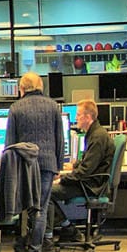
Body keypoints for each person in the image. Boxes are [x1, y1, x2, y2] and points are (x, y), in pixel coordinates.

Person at [3, 72, 66, 252]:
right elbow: (59, 140)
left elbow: (10, 143)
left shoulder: (15, 108)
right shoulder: (53, 106)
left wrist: (9, 169)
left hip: (24, 165)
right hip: (47, 163)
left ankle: (21, 245)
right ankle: (36, 251)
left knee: (24, 205)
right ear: (41, 87)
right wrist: (58, 166)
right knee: (41, 208)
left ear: (21, 89)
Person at [49, 98, 114, 229]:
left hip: (89, 186)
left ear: (88, 117)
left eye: (78, 115)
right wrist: (74, 165)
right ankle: (65, 227)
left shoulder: (97, 137)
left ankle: (67, 228)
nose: (76, 118)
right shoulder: (95, 133)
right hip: (91, 183)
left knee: (45, 192)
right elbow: (89, 161)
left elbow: (85, 171)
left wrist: (62, 179)